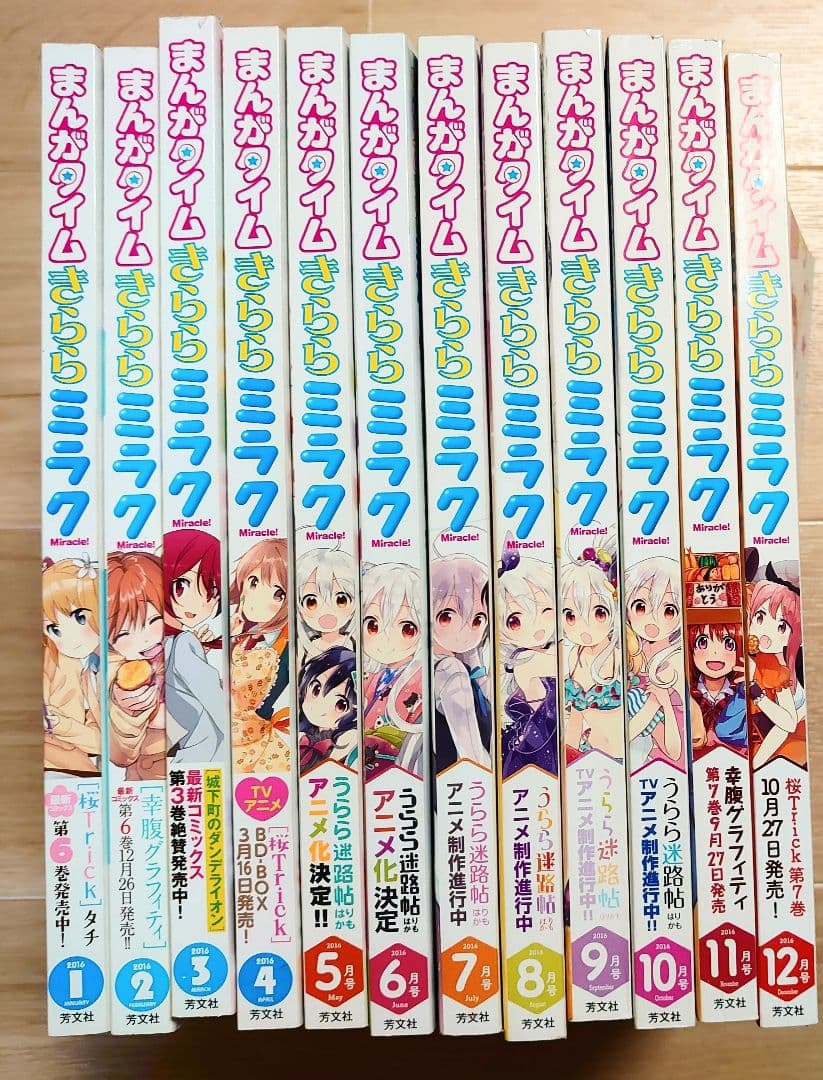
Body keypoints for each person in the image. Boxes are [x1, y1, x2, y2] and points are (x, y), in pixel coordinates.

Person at [229, 539, 291, 775]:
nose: (258, 599)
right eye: (253, 582)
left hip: (255, 743)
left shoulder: (286, 646)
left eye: (277, 593)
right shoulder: (246, 635)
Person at [163, 529, 225, 763]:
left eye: (211, 590)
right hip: (204, 750)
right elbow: (215, 700)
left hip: (189, 751)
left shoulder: (171, 643)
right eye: (181, 585)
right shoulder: (183, 643)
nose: (197, 601)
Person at [497, 548, 558, 779]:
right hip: (538, 745)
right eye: (515, 620)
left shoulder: (548, 650)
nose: (537, 626)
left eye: (546, 610)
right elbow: (569, 663)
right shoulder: (524, 661)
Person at [560, 539, 623, 761]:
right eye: (570, 616)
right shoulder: (573, 657)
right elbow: (575, 718)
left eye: (599, 613)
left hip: (623, 757)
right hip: (587, 755)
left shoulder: (619, 658)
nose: (584, 627)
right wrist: (569, 757)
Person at [360, 562, 424, 779]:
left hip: (398, 770)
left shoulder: (421, 680)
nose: (385, 640)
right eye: (372, 625)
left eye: (407, 629)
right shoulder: (371, 676)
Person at [107, 551, 166, 780]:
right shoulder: (112, 676)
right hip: (139, 775)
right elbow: (118, 755)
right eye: (123, 633)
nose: (145, 639)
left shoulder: (182, 652)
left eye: (154, 620)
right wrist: (126, 712)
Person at [431, 554, 492, 772]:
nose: (464, 632)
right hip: (460, 778)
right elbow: (471, 750)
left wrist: (472, 655)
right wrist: (486, 779)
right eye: (446, 617)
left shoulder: (458, 664)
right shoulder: (451, 670)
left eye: (477, 619)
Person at [42, 556, 101, 774]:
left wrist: (61, 725)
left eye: (80, 618)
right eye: (55, 629)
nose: (71, 639)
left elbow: (104, 742)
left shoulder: (105, 664)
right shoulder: (53, 658)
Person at [623, 557, 684, 770]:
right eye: (641, 606)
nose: (652, 619)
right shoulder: (630, 654)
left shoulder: (671, 663)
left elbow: (673, 751)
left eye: (668, 611)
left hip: (667, 758)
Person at [298, 646, 358, 773]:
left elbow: (330, 772)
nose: (319, 706)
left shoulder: (347, 737)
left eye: (340, 705)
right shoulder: (306, 732)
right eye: (316, 690)